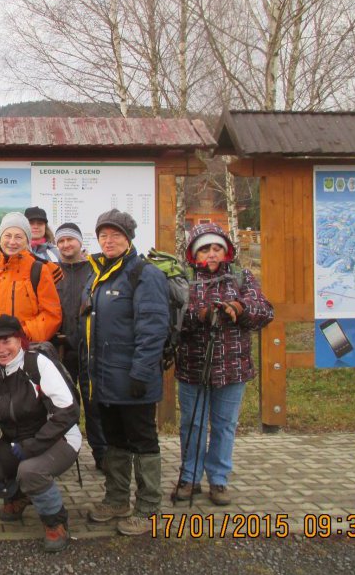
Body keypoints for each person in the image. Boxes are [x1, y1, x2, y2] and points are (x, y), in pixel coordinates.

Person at [0, 315, 81, 553]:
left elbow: (68, 413)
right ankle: (19, 496)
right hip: (15, 442)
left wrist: (32, 446)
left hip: (59, 438)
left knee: (30, 470)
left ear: (20, 340)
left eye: (7, 341)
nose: (1, 349)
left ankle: (55, 521)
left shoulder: (38, 365)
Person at [82, 209, 168, 536]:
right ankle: (117, 498)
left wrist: (141, 374)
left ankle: (148, 508)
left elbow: (153, 328)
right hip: (104, 378)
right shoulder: (101, 273)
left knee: (143, 441)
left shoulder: (144, 274)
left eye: (115, 234)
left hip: (133, 379)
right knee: (115, 440)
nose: (109, 240)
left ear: (129, 238)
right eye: (103, 234)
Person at [174, 223, 273, 506]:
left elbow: (265, 312)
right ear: (194, 253)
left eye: (217, 247)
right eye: (205, 248)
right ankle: (189, 476)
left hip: (233, 368)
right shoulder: (184, 280)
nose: (212, 254)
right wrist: (201, 315)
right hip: (193, 367)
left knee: (224, 425)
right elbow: (175, 321)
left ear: (226, 250)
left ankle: (218, 480)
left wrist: (238, 309)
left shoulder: (242, 278)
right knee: (191, 424)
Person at [53, 222, 106, 471]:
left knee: (94, 403)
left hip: (90, 348)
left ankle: (102, 453)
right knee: (61, 405)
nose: (65, 245)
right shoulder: (51, 271)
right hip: (60, 349)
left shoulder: (95, 269)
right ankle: (60, 453)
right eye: (61, 241)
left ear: (79, 242)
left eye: (69, 240)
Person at [0, 211, 62, 343]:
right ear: (0, 238)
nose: (12, 242)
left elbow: (51, 315)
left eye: (18, 237)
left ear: (27, 240)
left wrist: (19, 336)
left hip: (26, 349)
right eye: (7, 236)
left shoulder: (38, 270)